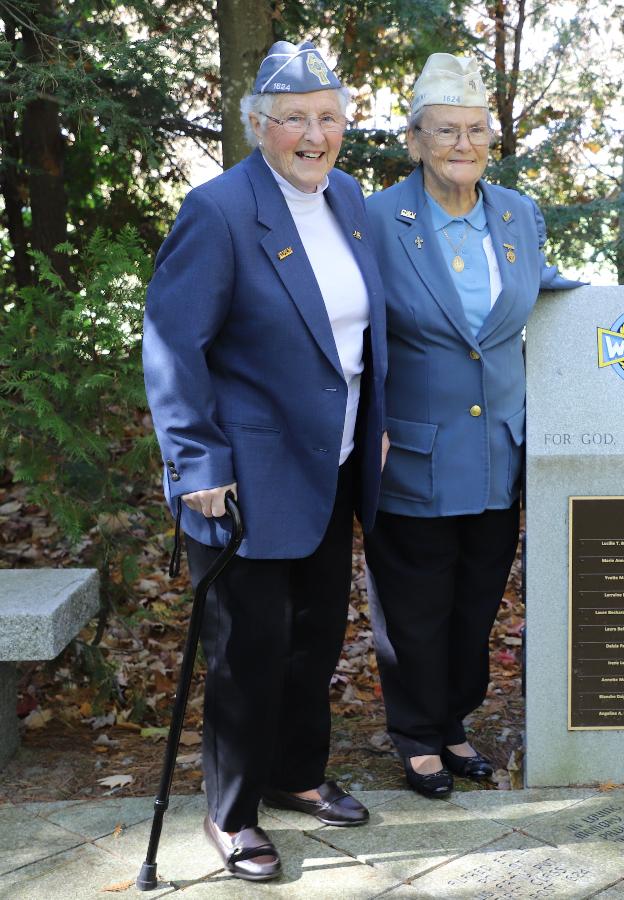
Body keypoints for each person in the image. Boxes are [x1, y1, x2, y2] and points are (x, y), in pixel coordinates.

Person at [143, 41, 388, 879]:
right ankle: (232, 812)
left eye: (328, 117)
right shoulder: (216, 211)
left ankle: (295, 777)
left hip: (336, 461)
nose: (314, 135)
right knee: (249, 648)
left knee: (316, 637)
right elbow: (174, 345)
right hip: (244, 476)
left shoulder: (349, 199)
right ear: (258, 126)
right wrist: (194, 461)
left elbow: (356, 333)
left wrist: (377, 417)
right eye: (295, 119)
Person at [363, 53, 580, 797]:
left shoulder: (517, 213)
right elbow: (347, 325)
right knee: (415, 605)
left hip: (498, 453)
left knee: (477, 599)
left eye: (476, 130)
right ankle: (417, 733)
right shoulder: (375, 220)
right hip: (413, 450)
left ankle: (453, 722)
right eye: (445, 131)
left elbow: (542, 291)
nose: (463, 143)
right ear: (415, 140)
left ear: (493, 138)